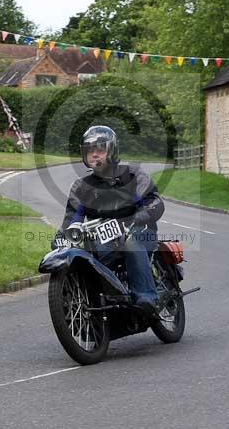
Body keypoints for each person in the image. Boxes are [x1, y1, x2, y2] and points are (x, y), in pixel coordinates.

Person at [59, 125, 164, 316]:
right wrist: (61, 237)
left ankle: (146, 298)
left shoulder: (132, 175)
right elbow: (72, 217)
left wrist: (141, 215)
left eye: (100, 149)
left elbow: (153, 201)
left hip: (140, 231)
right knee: (83, 257)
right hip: (106, 239)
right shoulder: (82, 186)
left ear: (112, 150)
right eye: (90, 151)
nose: (95, 155)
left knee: (130, 242)